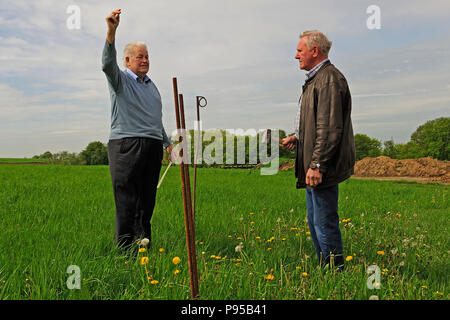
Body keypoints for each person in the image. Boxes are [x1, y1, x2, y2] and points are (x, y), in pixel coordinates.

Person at [280, 30, 355, 269]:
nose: (295, 56)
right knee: (315, 221)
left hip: (320, 166)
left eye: (299, 50)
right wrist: (299, 137)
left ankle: (335, 274)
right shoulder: (316, 79)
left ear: (315, 51)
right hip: (312, 162)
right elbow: (316, 123)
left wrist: (317, 164)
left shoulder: (329, 79)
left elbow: (330, 127)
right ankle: (326, 270)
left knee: (324, 221)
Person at [102, 9, 173, 251]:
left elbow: (155, 118)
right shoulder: (119, 80)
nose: (145, 60)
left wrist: (167, 143)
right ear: (128, 61)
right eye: (140, 57)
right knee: (126, 201)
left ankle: (143, 247)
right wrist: (111, 32)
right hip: (126, 145)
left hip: (152, 145)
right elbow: (106, 64)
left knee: (147, 200)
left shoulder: (152, 87)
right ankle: (124, 251)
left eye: (147, 57)